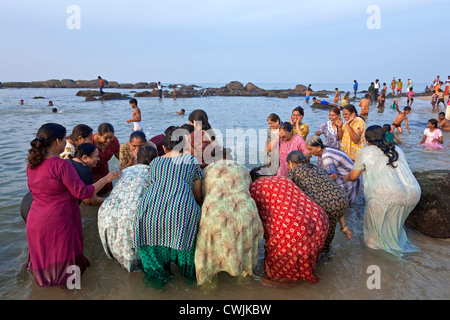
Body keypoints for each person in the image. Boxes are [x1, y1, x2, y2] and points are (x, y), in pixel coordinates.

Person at [25, 123, 121, 287]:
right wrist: (105, 179)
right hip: (59, 221)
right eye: (64, 139)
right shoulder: (62, 165)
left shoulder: (31, 164)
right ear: (57, 141)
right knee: (68, 274)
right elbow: (82, 193)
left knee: (46, 265)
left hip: (35, 221)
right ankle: (71, 294)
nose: (65, 142)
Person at [133, 128, 203, 289]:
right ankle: (191, 288)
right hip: (181, 217)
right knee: (188, 267)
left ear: (164, 148)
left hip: (149, 216)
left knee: (157, 272)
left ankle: (159, 290)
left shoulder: (155, 162)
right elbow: (198, 195)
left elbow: (151, 186)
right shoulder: (191, 161)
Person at [344, 125, 421, 257]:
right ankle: (400, 261)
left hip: (385, 195)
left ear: (367, 140)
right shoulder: (397, 149)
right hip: (413, 192)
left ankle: (377, 263)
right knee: (394, 229)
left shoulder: (365, 151)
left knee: (373, 239)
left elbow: (354, 176)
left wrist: (345, 177)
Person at [194, 147, 264, 286]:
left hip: (215, 211)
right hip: (244, 211)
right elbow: (247, 188)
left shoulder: (208, 169)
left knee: (210, 248)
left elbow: (202, 195)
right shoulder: (242, 167)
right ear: (231, 157)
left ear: (213, 159)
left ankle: (209, 285)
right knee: (243, 246)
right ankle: (243, 280)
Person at [249, 169, 329, 284]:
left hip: (292, 226)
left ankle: (282, 286)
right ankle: (302, 279)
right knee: (303, 254)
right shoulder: (284, 178)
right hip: (319, 218)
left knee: (280, 271)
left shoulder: (254, 187)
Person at [98, 145, 158, 272]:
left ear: (137, 157)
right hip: (132, 215)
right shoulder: (156, 174)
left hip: (106, 213)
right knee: (137, 262)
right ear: (156, 159)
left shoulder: (125, 171)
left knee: (118, 252)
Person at [286, 150, 349, 253]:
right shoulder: (315, 167)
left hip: (325, 205)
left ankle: (318, 254)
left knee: (316, 232)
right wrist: (344, 227)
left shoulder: (294, 171)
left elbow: (288, 193)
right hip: (341, 197)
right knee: (330, 228)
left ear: (291, 163)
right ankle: (326, 252)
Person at [305, 136, 362, 209]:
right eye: (308, 149)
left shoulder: (326, 155)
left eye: (310, 149)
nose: (309, 152)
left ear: (318, 148)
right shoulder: (323, 151)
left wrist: (317, 185)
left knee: (339, 206)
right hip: (349, 177)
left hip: (349, 181)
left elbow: (333, 176)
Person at [91, 123, 121, 194]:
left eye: (111, 137)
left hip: (105, 173)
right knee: (92, 197)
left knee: (107, 194)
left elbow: (120, 157)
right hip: (91, 175)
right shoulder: (90, 142)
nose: (108, 141)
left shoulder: (114, 141)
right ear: (98, 135)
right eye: (106, 138)